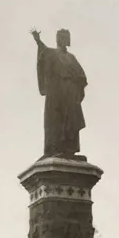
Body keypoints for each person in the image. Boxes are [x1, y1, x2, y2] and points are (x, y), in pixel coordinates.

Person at [30, 28, 88, 158]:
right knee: (56, 120)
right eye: (61, 37)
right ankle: (55, 149)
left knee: (71, 121)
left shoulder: (71, 57)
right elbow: (44, 53)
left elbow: (81, 76)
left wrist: (76, 86)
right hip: (56, 93)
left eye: (66, 38)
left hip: (70, 93)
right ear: (57, 39)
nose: (64, 40)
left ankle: (70, 150)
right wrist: (38, 41)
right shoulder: (52, 54)